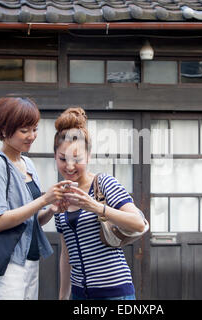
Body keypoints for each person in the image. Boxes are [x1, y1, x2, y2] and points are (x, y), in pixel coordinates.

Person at [0, 97, 72, 300]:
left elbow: (29, 221)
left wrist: (50, 211)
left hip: (29, 260)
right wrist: (44, 200)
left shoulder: (28, 165)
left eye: (34, 129)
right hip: (4, 264)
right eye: (24, 130)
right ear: (4, 131)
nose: (32, 136)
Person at [53, 107, 147, 300]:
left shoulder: (103, 183)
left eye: (76, 159)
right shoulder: (59, 196)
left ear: (88, 156)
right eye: (63, 159)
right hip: (79, 294)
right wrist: (63, 296)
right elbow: (66, 253)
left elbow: (139, 223)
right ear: (55, 157)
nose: (69, 166)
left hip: (114, 292)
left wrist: (95, 206)